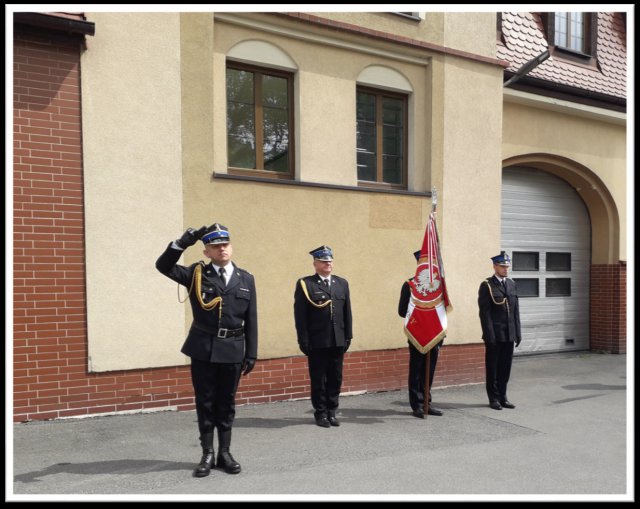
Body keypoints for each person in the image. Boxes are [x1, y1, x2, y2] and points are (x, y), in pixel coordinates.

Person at [155, 223, 257, 477]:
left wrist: (251, 352)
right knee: (206, 402)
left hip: (234, 348)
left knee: (227, 402)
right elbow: (163, 266)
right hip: (205, 349)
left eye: (225, 244)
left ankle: (225, 452)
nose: (222, 249)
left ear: (231, 247)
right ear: (206, 252)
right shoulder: (196, 274)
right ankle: (207, 453)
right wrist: (182, 242)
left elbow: (252, 318)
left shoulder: (246, 278)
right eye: (215, 246)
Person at [294, 245, 353, 428]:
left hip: (337, 339)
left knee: (335, 377)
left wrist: (348, 336)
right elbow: (300, 315)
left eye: (330, 260)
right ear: (315, 263)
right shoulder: (306, 284)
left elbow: (347, 311)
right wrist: (303, 339)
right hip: (317, 341)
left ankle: (332, 411)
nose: (328, 263)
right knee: (319, 378)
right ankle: (320, 413)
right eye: (323, 260)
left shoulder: (341, 283)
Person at [398, 250, 444, 418]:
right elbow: (402, 311)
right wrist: (420, 315)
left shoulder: (439, 287)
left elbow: (442, 309)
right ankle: (417, 404)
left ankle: (427, 402)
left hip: (434, 334)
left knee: (429, 369)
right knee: (417, 369)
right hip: (417, 333)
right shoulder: (409, 285)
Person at [477, 250, 521, 410]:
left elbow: (516, 310)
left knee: (505, 368)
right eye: (502, 266)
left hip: (509, 334)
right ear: (495, 266)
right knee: (493, 368)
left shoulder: (511, 284)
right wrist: (489, 336)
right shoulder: (487, 286)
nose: (505, 269)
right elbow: (484, 313)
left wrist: (517, 332)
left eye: (507, 267)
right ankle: (493, 399)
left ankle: (503, 397)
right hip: (495, 336)